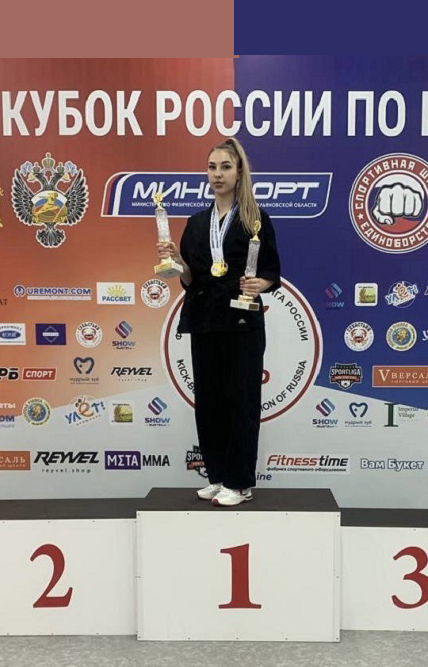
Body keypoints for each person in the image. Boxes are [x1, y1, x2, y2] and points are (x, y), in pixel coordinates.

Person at [156, 138, 281, 507]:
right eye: (212, 167)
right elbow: (190, 278)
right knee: (209, 404)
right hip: (204, 320)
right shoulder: (197, 223)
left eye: (225, 166)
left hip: (242, 321)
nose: (218, 174)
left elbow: (271, 270)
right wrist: (177, 261)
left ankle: (240, 483)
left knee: (241, 402)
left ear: (239, 171)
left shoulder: (255, 219)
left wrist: (261, 284)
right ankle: (218, 476)